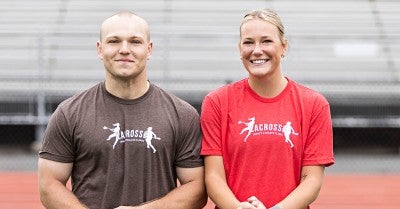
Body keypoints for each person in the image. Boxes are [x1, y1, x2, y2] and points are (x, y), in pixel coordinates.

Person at [38, 11, 207, 209]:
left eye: (135, 41)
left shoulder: (182, 114)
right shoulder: (69, 113)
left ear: (149, 49)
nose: (124, 49)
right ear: (100, 49)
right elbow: (49, 185)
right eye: (114, 41)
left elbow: (197, 189)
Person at [200, 9, 335, 209]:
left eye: (266, 41)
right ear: (239, 49)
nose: (256, 50)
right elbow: (213, 176)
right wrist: (238, 208)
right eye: (248, 42)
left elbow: (312, 181)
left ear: (283, 47)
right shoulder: (217, 102)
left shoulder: (314, 104)